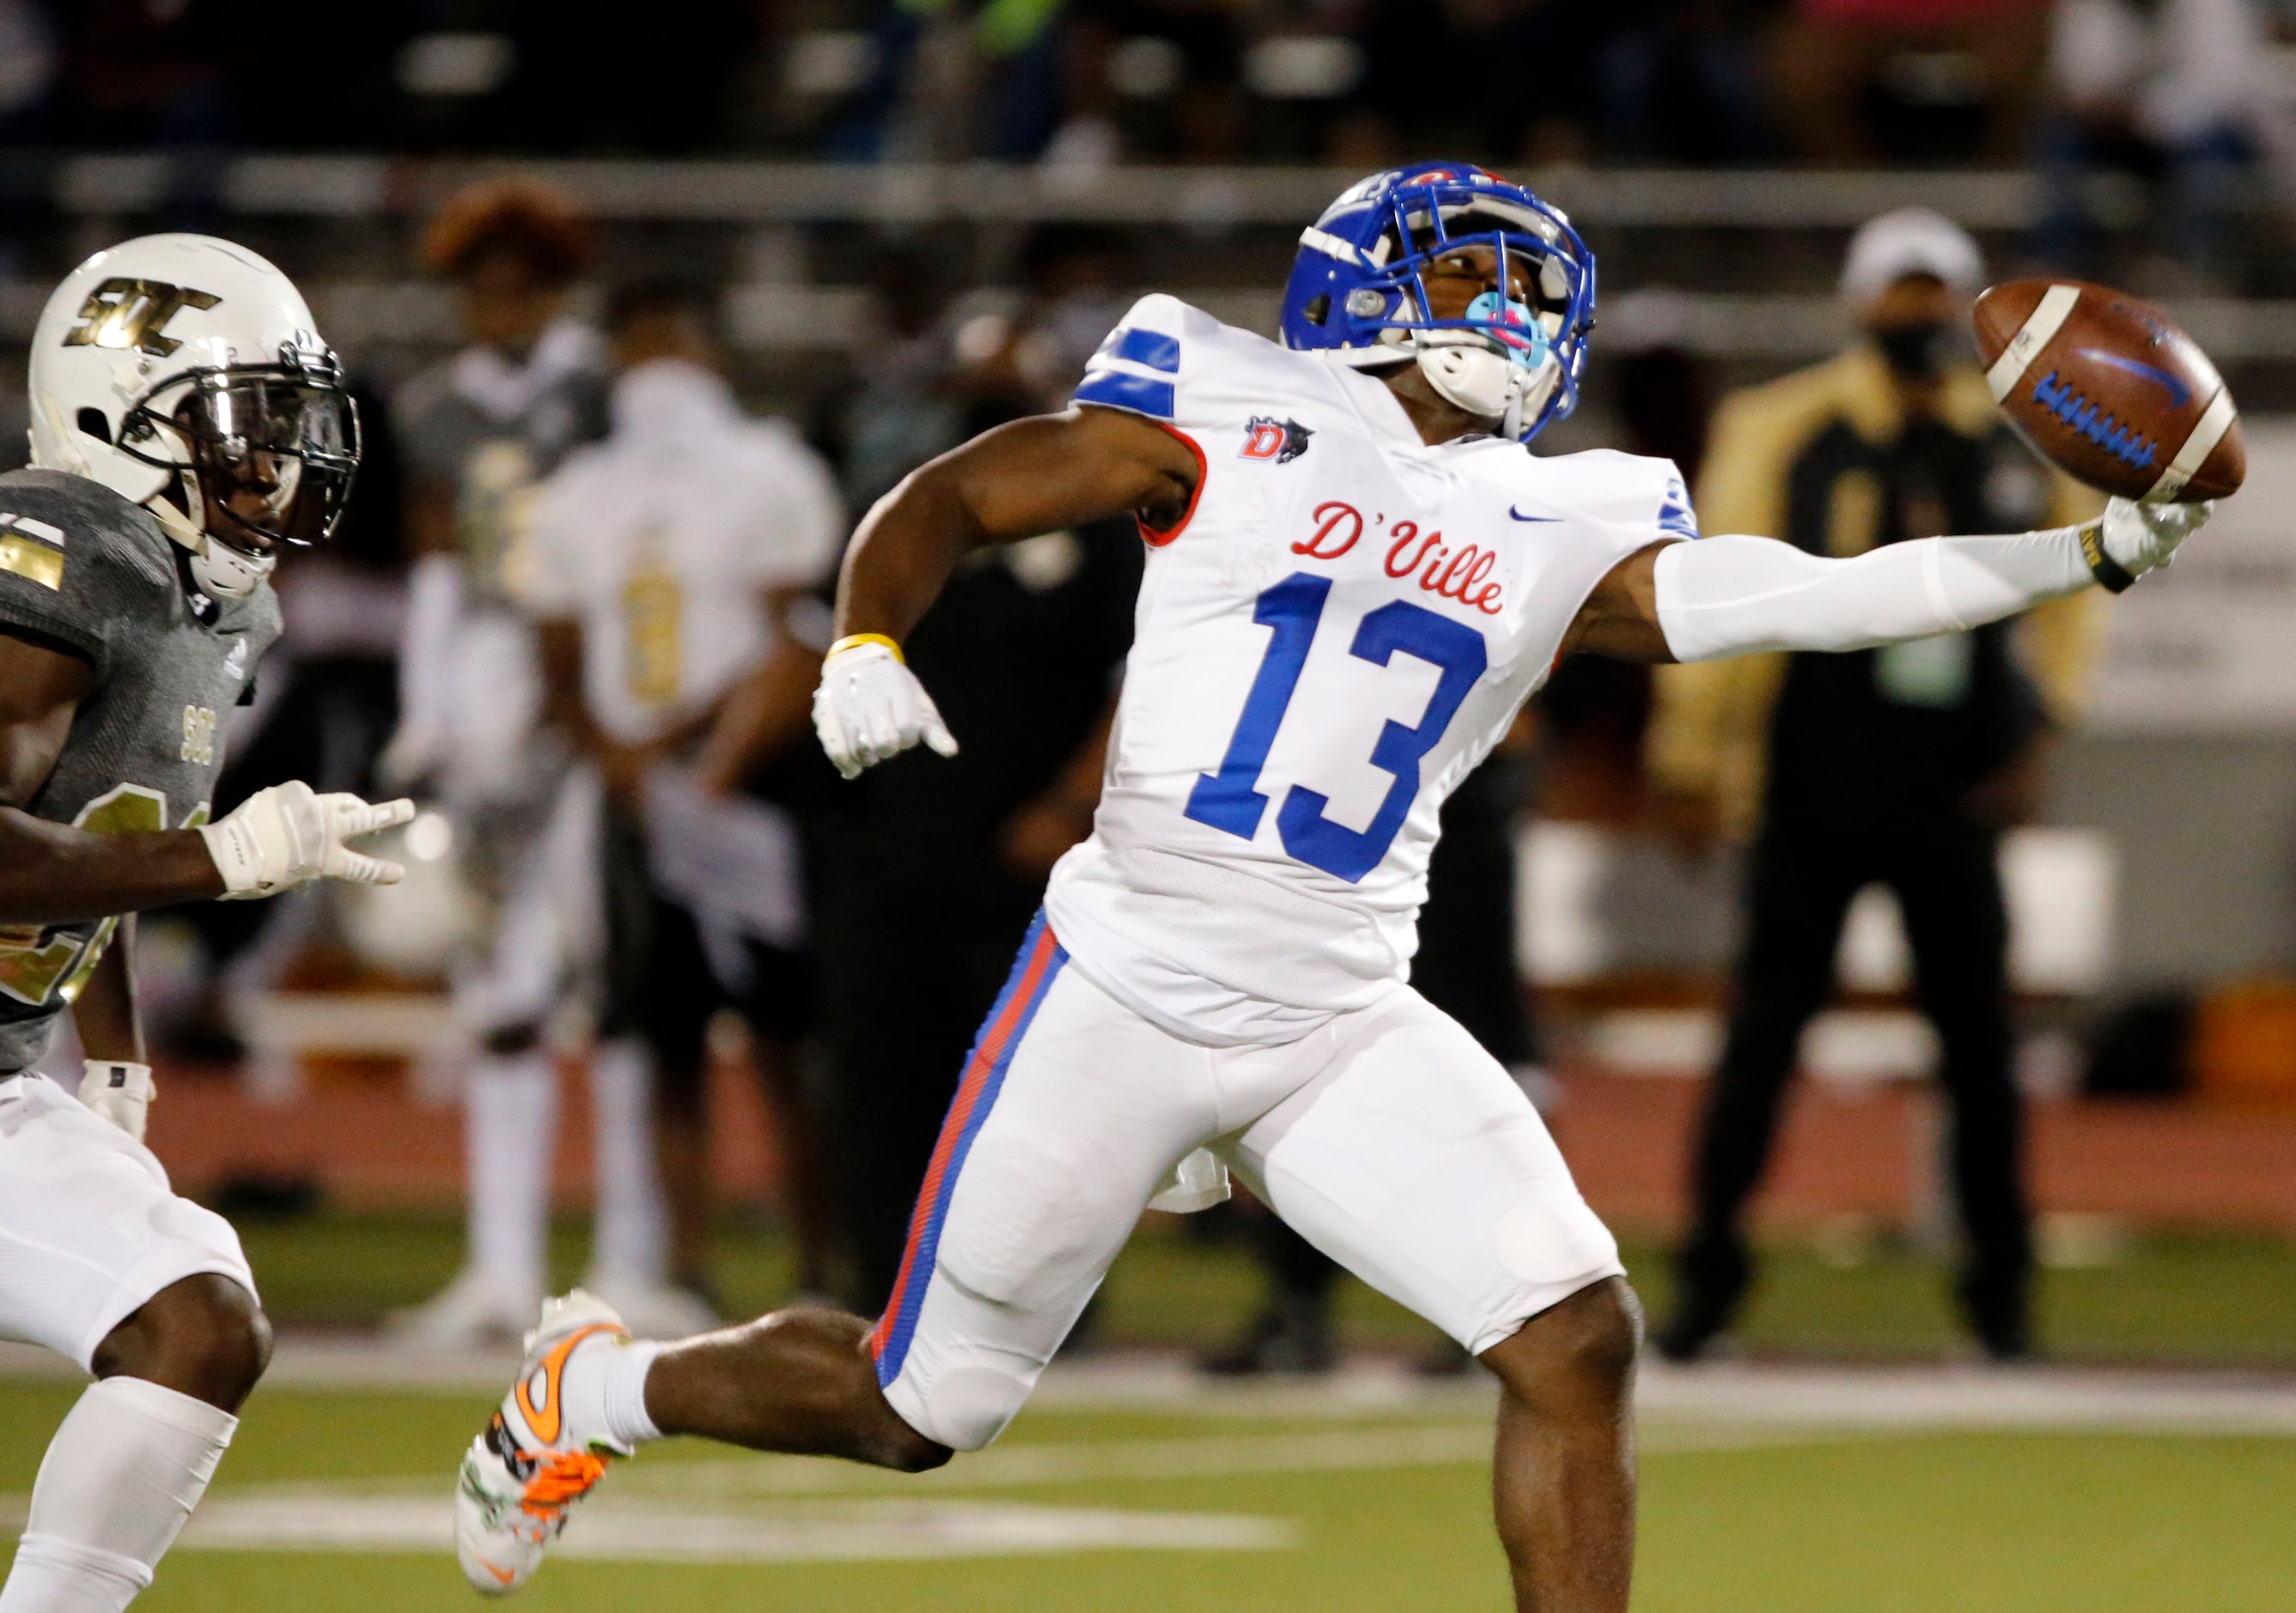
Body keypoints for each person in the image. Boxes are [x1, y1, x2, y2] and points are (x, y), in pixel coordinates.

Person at [449, 163, 2209, 1608]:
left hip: (1340, 1017)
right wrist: (866, 634)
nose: (1515, 313)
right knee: (921, 1410)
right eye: (1474, 276)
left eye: (1532, 285)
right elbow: (957, 493)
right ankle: (595, 1386)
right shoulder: (1231, 412)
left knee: (1575, 1333)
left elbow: (1807, 593)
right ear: (1361, 291)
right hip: (1123, 985)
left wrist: (2085, 548)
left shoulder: (1558, 517)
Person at [0, 234, 409, 1611]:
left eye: (290, 426)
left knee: (195, 1314)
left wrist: (103, 1052)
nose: (279, 463)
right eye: (243, 420)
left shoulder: (215, 598)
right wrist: (222, 861)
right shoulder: (61, 550)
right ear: (121, 414)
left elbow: (99, 831)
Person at [1645, 209, 2104, 1363]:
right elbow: (1714, 587)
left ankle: (2003, 1306)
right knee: (1761, 1041)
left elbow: (2074, 589)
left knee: (1980, 1058)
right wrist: (1694, 757)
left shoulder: (2016, 437)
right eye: (1898, 292)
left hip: (1955, 784)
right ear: (1858, 301)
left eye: (1933, 292)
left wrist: (2042, 724)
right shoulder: (1781, 425)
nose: (1916, 314)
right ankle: (1705, 1284)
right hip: (1815, 771)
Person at [521, 277, 844, 1326]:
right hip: (644, 792)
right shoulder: (577, 490)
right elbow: (558, 652)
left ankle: (818, 1266)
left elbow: (799, 641)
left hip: (752, 785)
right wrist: (626, 761)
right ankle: (687, 1270)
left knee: (790, 1041)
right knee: (662, 1041)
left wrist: (676, 757)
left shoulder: (768, 471)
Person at [379, 180, 640, 1346]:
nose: (498, 307)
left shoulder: (605, 392)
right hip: (489, 674)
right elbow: (438, 564)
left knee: (607, 968)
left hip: (604, 674)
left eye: (518, 283)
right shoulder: (437, 405)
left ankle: (637, 1256)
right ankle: (503, 1265)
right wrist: (424, 716)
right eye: (480, 285)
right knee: (497, 978)